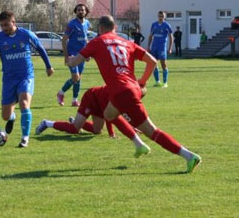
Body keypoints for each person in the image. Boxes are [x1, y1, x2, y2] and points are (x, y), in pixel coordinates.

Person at [68, 14, 201, 173]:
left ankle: (189, 156)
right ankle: (137, 144)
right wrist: (142, 81)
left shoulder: (97, 41)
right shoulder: (127, 42)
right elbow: (152, 61)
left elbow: (74, 62)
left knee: (152, 131)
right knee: (108, 114)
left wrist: (69, 58)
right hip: (131, 89)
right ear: (115, 28)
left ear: (100, 29)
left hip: (122, 93)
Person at [0, 10, 54, 148]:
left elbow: (40, 48)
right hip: (9, 79)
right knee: (5, 116)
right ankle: (12, 117)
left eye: (6, 25)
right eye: (2, 25)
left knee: (24, 103)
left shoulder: (26, 34)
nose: (4, 28)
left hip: (26, 76)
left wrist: (48, 66)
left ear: (13, 22)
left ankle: (24, 138)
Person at [36, 84, 152, 158]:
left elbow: (122, 113)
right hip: (91, 98)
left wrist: (132, 127)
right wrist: (111, 133)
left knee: (97, 131)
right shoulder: (119, 93)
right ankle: (47, 123)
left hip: (100, 104)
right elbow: (110, 116)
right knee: (74, 129)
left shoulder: (126, 93)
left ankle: (75, 121)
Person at [57, 3, 90, 107]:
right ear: (76, 12)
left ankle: (75, 100)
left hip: (82, 55)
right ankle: (61, 93)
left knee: (78, 78)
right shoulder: (72, 24)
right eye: (79, 10)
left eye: (82, 10)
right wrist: (66, 56)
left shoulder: (87, 23)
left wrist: (88, 52)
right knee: (75, 77)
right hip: (72, 55)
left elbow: (85, 39)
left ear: (86, 12)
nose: (81, 11)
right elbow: (64, 40)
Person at [148, 11, 173, 87]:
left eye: (162, 16)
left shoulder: (167, 25)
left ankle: (165, 83)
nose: (161, 18)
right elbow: (150, 36)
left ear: (164, 17)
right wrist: (148, 46)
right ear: (157, 16)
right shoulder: (154, 25)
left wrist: (170, 48)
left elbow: (171, 37)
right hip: (154, 47)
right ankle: (157, 82)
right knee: (154, 64)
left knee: (163, 64)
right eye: (159, 16)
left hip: (162, 47)